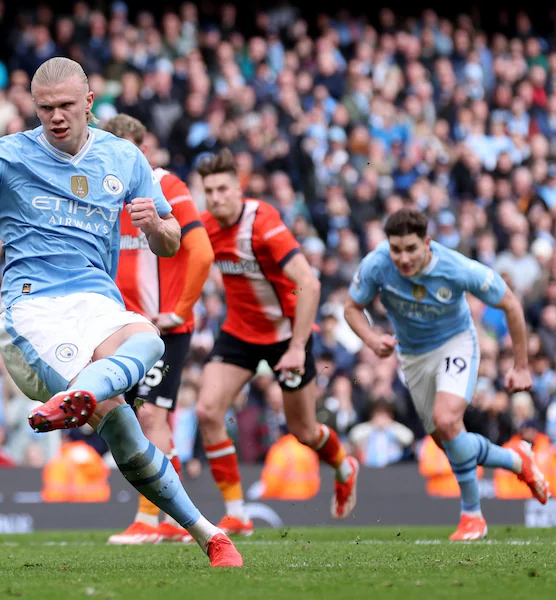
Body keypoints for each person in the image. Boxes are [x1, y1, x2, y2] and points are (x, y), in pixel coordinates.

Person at [0, 56, 242, 568]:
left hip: (96, 302)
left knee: (147, 347)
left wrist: (154, 227)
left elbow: (172, 243)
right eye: (45, 109)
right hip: (32, 309)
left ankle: (211, 536)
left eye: (65, 106)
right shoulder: (9, 155)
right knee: (123, 400)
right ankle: (85, 392)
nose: (56, 117)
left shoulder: (125, 159)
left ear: (88, 103)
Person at [344, 207, 550, 540]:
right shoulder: (377, 264)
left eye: (411, 248)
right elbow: (352, 308)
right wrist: (370, 338)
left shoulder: (456, 267)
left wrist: (522, 365)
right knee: (449, 441)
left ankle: (472, 516)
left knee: (446, 419)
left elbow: (510, 303)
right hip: (413, 357)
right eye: (396, 249)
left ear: (427, 243)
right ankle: (517, 461)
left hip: (455, 344)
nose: (403, 257)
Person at [194, 149, 359, 536]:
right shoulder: (204, 227)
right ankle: (237, 512)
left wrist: (298, 346)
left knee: (303, 431)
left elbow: (310, 283)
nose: (216, 197)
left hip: (287, 335)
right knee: (206, 411)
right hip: (239, 332)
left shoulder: (263, 222)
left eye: (222, 189)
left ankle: (343, 466)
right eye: (209, 191)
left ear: (238, 189)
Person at [103, 114, 214, 545]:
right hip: (123, 329)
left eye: (128, 150)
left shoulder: (166, 186)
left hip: (164, 329)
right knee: (137, 418)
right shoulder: (102, 191)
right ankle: (172, 521)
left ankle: (149, 521)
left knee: (150, 415)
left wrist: (177, 309)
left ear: (142, 150)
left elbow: (200, 253)